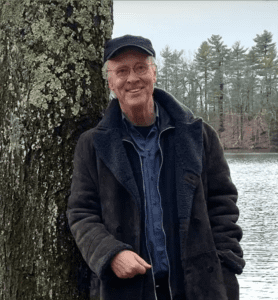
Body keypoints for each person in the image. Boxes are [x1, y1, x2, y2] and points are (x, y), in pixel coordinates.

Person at [66, 35, 245, 300]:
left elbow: (223, 204)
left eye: (140, 67)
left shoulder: (198, 136)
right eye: (122, 71)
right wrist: (110, 254)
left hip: (198, 286)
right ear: (110, 82)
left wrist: (225, 263)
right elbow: (81, 212)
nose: (132, 78)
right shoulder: (93, 145)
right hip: (126, 289)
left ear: (154, 73)